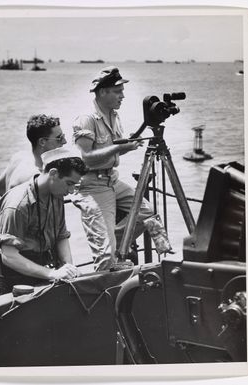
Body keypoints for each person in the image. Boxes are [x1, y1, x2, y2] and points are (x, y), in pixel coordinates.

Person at [72, 66, 171, 271]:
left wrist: (127, 147)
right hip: (92, 186)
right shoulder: (87, 119)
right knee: (105, 258)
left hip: (111, 181)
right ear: (102, 92)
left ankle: (111, 241)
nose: (122, 96)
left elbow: (111, 153)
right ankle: (107, 256)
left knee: (146, 213)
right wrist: (119, 147)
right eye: (118, 91)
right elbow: (86, 159)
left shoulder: (114, 115)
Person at [0, 150, 87, 296]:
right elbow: (9, 256)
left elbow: (61, 236)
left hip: (42, 272)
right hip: (13, 281)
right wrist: (52, 274)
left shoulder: (56, 195)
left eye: (75, 185)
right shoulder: (18, 204)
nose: (71, 191)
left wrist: (68, 267)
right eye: (69, 183)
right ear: (53, 173)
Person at [0, 114, 67, 196]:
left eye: (63, 136)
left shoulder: (19, 157)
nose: (64, 141)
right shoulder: (38, 177)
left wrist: (10, 202)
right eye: (59, 138)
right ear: (42, 142)